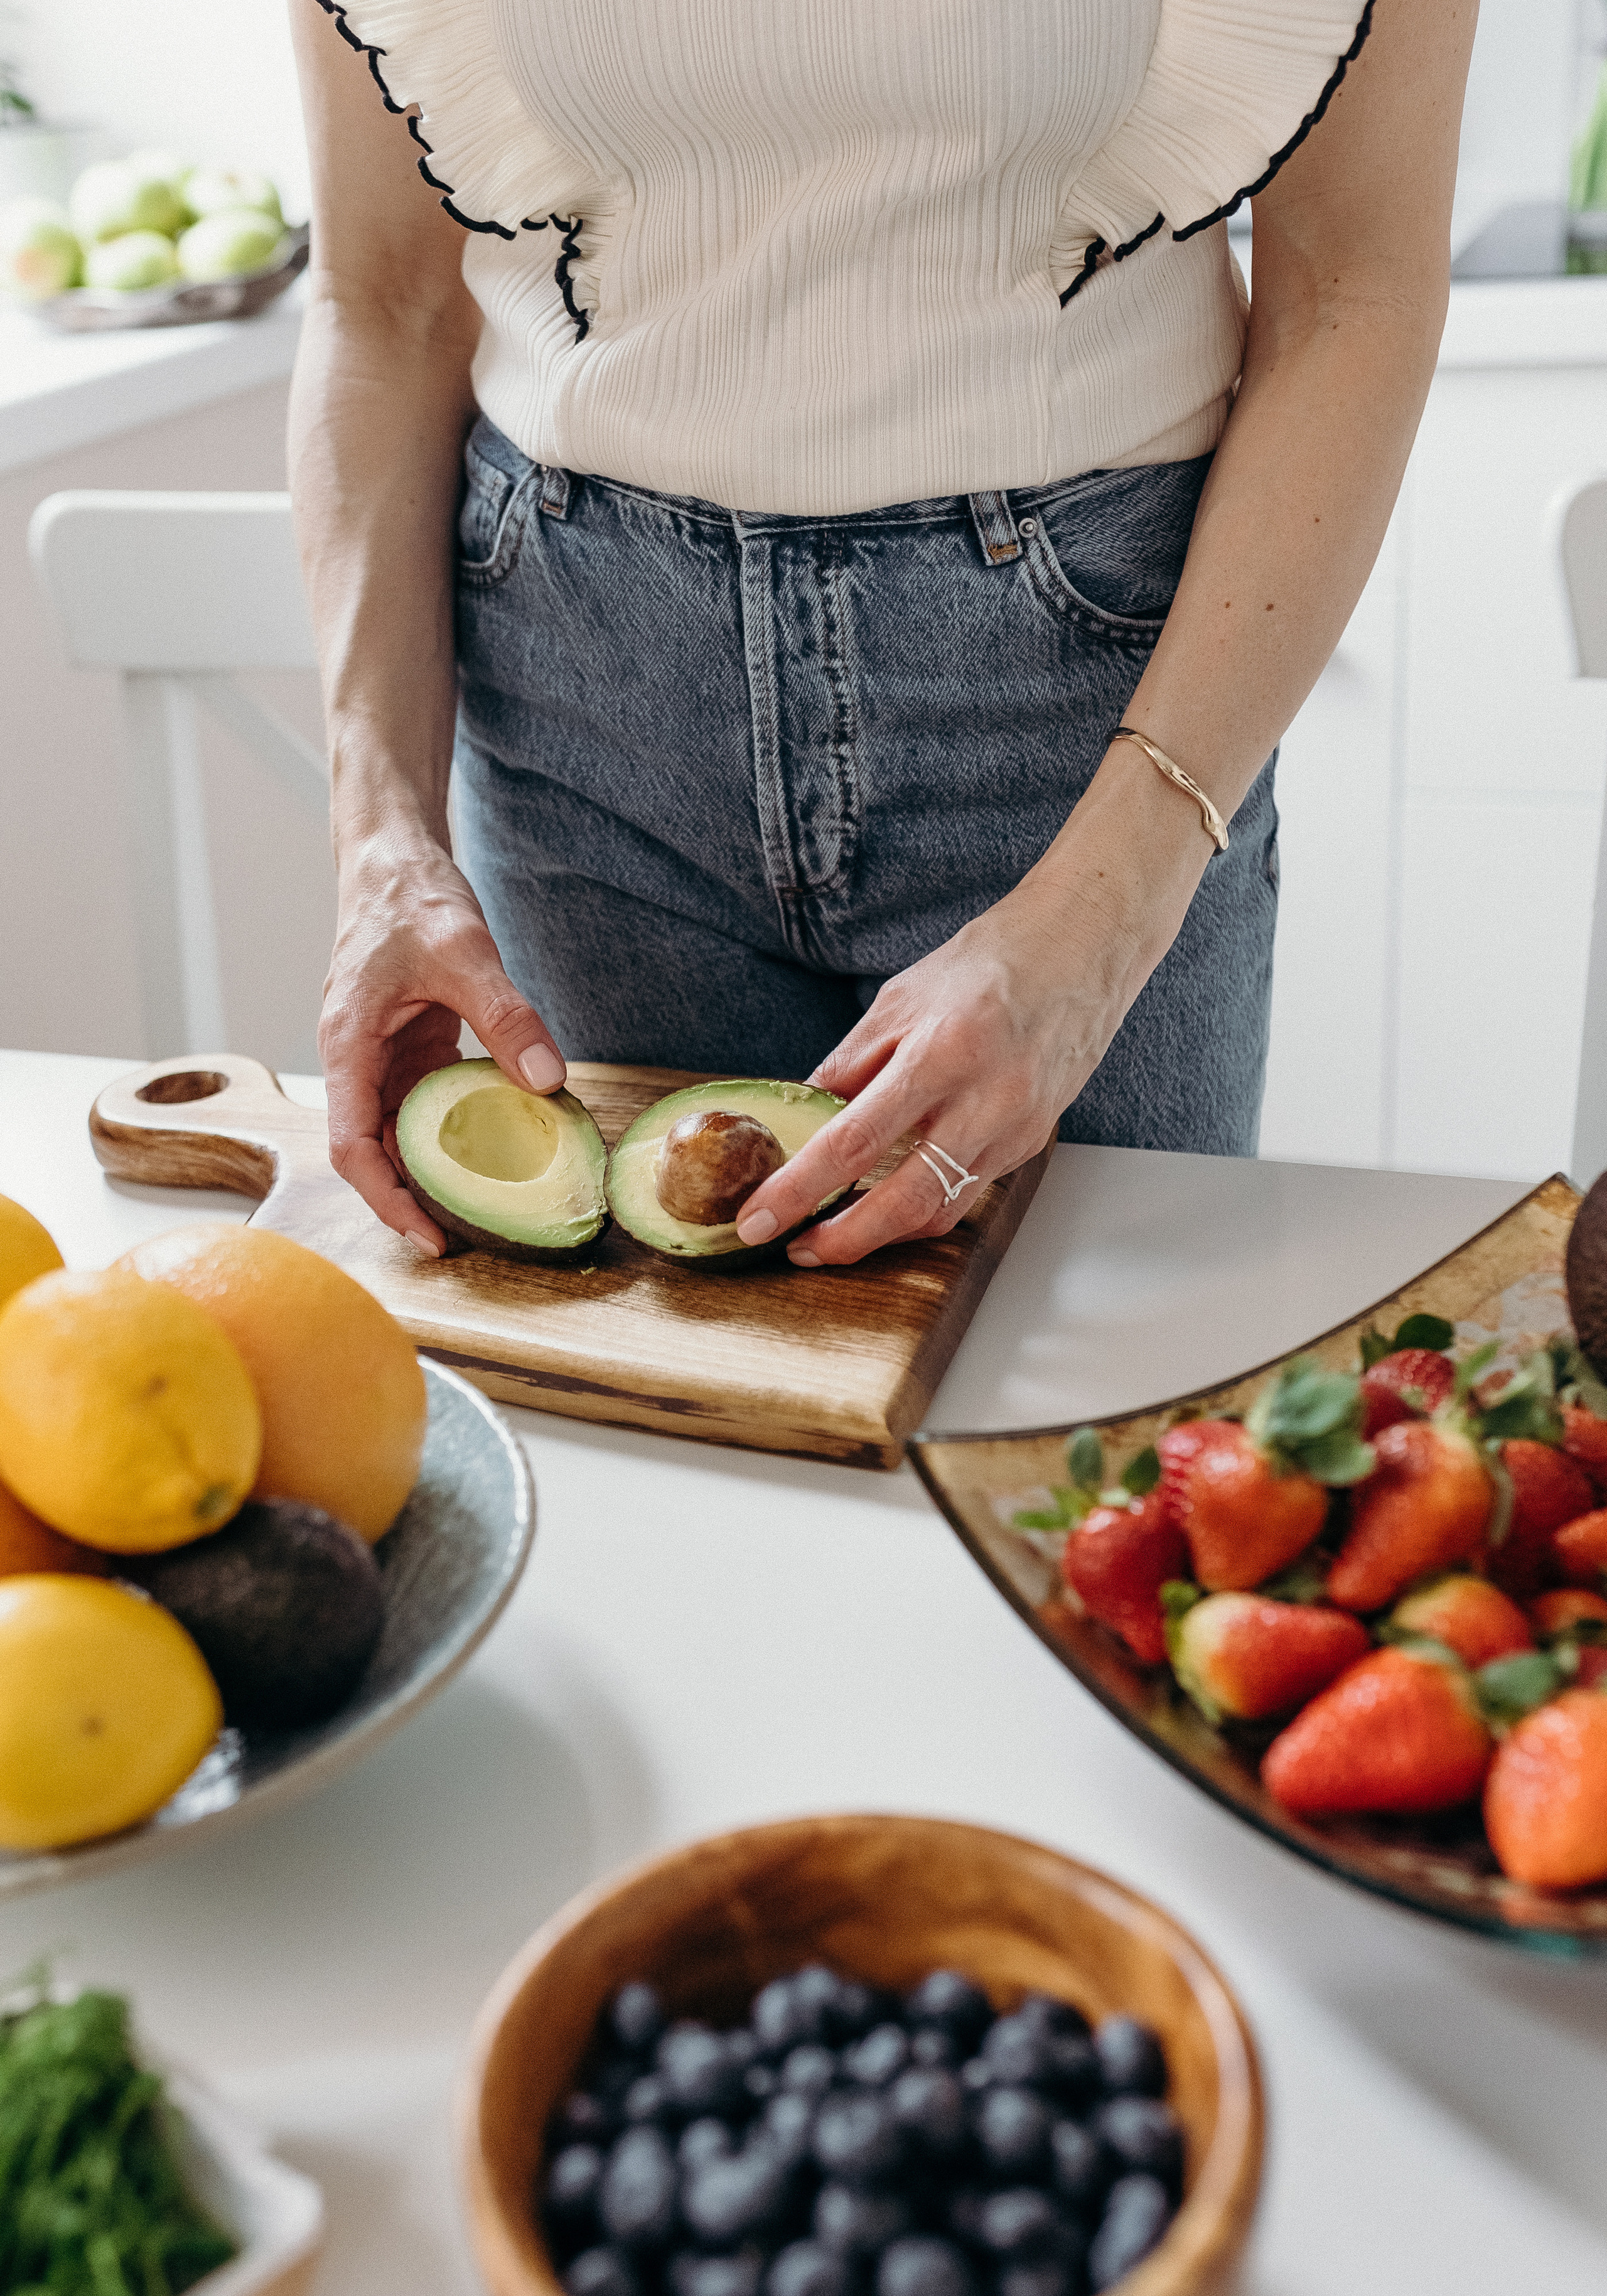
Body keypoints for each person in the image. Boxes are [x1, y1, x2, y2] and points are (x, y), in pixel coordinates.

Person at [288, 0, 1475, 1269]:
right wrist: (380, 839)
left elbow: (1354, 290)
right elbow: (382, 301)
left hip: (1083, 722)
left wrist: (1110, 905)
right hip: (582, 716)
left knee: (1100, 1358)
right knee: (644, 1368)